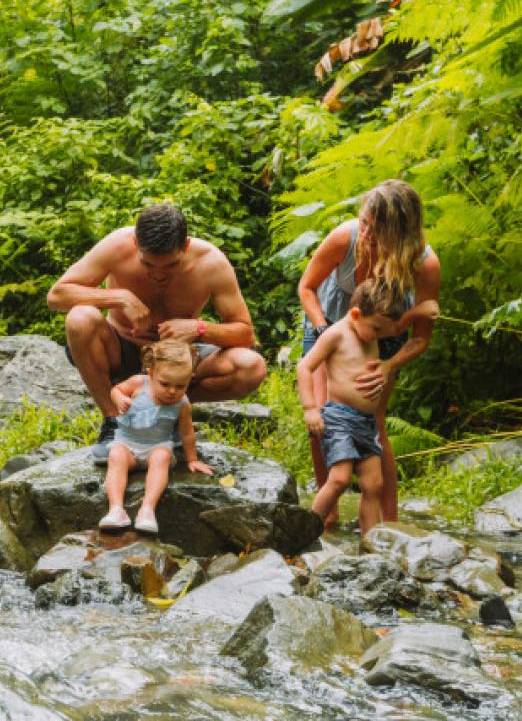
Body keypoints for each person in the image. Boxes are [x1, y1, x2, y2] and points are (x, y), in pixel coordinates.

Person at [47, 204, 266, 460]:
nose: (159, 275)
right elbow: (57, 295)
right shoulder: (117, 245)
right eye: (149, 265)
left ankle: (167, 411)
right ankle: (113, 422)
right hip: (121, 349)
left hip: (178, 359)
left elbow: (245, 333)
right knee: (80, 318)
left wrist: (199, 328)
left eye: (170, 266)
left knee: (251, 367)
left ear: (185, 246)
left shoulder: (211, 262)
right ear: (136, 243)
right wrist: (120, 297)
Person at [298, 179, 441, 522]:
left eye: (376, 230)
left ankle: (389, 524)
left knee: (374, 422)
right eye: (363, 222)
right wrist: (323, 331)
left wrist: (389, 366)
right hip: (328, 324)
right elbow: (306, 287)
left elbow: (420, 337)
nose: (365, 234)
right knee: (321, 417)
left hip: (386, 339)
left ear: (400, 234)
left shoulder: (424, 264)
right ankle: (325, 517)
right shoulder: (343, 239)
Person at [297, 280, 439, 534]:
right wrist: (310, 408)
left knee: (374, 485)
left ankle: (371, 546)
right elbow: (305, 366)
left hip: (366, 421)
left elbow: (395, 325)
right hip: (339, 417)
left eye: (381, 332)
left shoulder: (372, 325)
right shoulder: (336, 334)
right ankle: (305, 533)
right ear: (355, 314)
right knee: (339, 478)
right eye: (376, 330)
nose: (379, 337)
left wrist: (419, 311)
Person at [99, 341, 213, 534]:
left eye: (180, 386)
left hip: (156, 446)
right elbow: (115, 390)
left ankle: (147, 509)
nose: (172, 391)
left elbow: (186, 432)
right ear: (151, 373)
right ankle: (116, 509)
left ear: (189, 380)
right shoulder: (138, 384)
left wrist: (192, 459)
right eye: (165, 384)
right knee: (116, 456)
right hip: (127, 445)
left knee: (162, 457)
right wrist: (119, 398)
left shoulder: (182, 403)